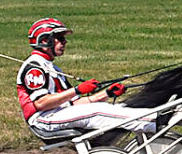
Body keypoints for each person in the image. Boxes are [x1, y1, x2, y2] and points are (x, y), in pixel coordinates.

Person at [16, 18, 152, 141]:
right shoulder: (35, 67)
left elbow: (74, 103)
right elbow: (41, 103)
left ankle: (152, 120)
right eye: (60, 38)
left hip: (56, 113)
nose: (65, 42)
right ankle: (155, 121)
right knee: (98, 112)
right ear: (45, 40)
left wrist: (107, 94)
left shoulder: (53, 67)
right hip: (43, 118)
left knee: (111, 108)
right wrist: (76, 90)